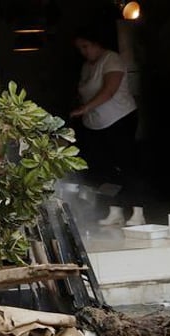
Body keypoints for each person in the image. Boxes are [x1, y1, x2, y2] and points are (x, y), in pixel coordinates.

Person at [71, 28, 139, 225]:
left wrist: (84, 108)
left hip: (119, 119)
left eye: (86, 46)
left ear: (97, 43)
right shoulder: (87, 66)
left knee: (126, 165)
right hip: (96, 124)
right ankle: (114, 210)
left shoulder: (111, 59)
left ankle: (137, 211)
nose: (83, 52)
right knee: (104, 168)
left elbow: (109, 90)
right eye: (80, 48)